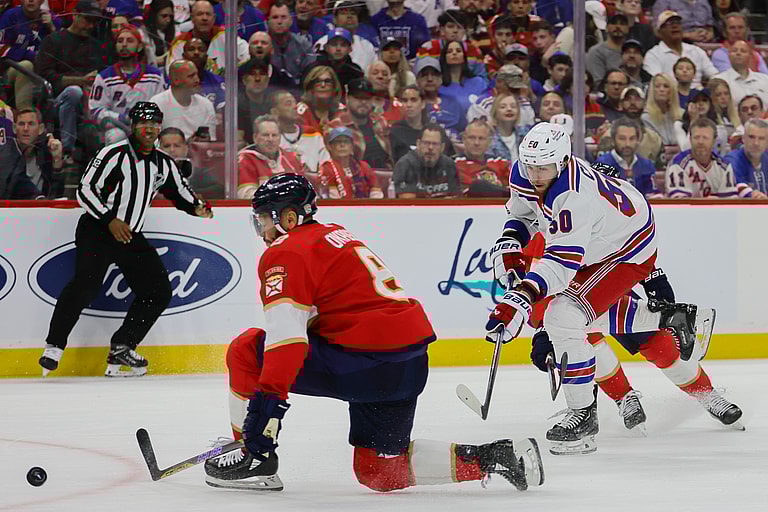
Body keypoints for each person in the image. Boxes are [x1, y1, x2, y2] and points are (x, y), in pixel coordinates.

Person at [202, 172, 544, 492]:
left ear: (288, 219)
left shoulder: (286, 251)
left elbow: (287, 341)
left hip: (362, 363)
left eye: (263, 220)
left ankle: (252, 458)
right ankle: (498, 457)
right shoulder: (335, 235)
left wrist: (265, 410)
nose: (262, 231)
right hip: (407, 365)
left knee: (246, 349)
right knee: (379, 472)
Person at [484, 122, 703, 455]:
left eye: (543, 167)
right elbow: (524, 214)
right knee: (569, 320)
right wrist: (511, 240)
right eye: (530, 165)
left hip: (627, 249)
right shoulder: (525, 173)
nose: (535, 175)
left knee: (564, 316)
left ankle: (583, 416)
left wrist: (520, 301)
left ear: (560, 162)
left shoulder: (573, 197)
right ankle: (670, 320)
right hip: (606, 235)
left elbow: (559, 265)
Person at [38, 102, 214, 378]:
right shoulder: (113, 154)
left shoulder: (162, 163)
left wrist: (197, 207)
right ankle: (54, 345)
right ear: (133, 126)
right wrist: (110, 219)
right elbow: (85, 190)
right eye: (144, 123)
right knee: (85, 286)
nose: (150, 129)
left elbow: (180, 192)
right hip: (98, 229)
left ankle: (123, 345)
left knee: (158, 292)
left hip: (129, 234)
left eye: (154, 124)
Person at [34, 0, 105, 157]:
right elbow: (44, 74)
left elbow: (102, 73)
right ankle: (67, 150)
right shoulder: (54, 41)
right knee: (73, 92)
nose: (91, 26)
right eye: (88, 20)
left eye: (94, 22)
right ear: (75, 15)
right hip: (56, 100)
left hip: (89, 100)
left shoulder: (96, 46)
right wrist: (80, 81)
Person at [90, 25, 167, 145]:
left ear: (140, 46)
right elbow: (96, 110)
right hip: (117, 127)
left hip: (148, 126)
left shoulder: (155, 76)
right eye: (120, 41)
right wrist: (121, 118)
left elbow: (162, 105)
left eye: (130, 41)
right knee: (116, 136)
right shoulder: (104, 77)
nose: (124, 45)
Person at [0, 0, 62, 110]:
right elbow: (1, 48)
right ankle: (25, 114)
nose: (31, 0)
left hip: (42, 70)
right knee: (26, 66)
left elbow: (61, 52)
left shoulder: (53, 19)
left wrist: (52, 28)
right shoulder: (10, 16)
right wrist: (32, 55)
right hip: (8, 70)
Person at [166, 0, 249, 75]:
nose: (204, 18)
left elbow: (246, 54)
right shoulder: (179, 42)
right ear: (192, 18)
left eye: (208, 14)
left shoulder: (225, 36)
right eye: (200, 14)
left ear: (214, 18)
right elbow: (171, 72)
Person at [643, 11, 719, 88]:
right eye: (669, 24)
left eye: (678, 23)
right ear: (659, 32)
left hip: (698, 96)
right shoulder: (653, 55)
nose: (675, 26)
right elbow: (656, 84)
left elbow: (714, 75)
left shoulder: (696, 51)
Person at [0, 108, 64, 199]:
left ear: (40, 129)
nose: (26, 129)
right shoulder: (5, 154)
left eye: (31, 124)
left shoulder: (45, 153)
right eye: (21, 124)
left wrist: (57, 160)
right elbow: (17, 182)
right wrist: (40, 199)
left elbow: (57, 194)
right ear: (14, 128)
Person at [667, 118, 738, 198]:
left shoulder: (724, 166)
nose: (700, 142)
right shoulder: (678, 164)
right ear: (690, 139)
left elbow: (730, 201)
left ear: (714, 141)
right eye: (696, 137)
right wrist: (705, 204)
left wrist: (716, 203)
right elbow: (679, 203)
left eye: (705, 138)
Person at [237, 115, 304, 198]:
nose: (270, 139)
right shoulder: (246, 159)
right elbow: (246, 196)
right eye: (265, 135)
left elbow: (304, 190)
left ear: (280, 138)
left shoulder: (292, 159)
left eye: (274, 135)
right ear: (255, 138)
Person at [150, 60, 217, 141]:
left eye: (197, 75)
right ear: (176, 81)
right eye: (191, 76)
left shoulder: (207, 105)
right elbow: (153, 144)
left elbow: (211, 143)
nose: (197, 80)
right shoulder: (156, 104)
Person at [596, 118, 662, 198]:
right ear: (613, 140)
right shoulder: (601, 165)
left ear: (638, 140)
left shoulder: (647, 165)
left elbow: (654, 196)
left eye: (632, 138)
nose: (627, 144)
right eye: (622, 138)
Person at [392, 123, 461, 198]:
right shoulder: (405, 164)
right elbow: (405, 199)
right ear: (418, 144)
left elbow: (456, 196)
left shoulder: (449, 165)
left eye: (435, 144)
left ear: (442, 147)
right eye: (426, 143)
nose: (430, 147)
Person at [270, 89, 329, 177]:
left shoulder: (313, 135)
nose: (295, 107)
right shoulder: (270, 139)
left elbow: (327, 167)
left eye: (295, 103)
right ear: (275, 112)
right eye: (288, 103)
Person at [319, 126, 383, 198]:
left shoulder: (363, 167)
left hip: (365, 207)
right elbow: (331, 199)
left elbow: (377, 195)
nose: (342, 145)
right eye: (338, 141)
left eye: (346, 141)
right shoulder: (326, 169)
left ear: (352, 146)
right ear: (330, 147)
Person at [313, 1, 377, 73]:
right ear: (335, 19)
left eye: (353, 13)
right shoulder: (323, 42)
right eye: (343, 13)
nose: (349, 16)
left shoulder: (367, 46)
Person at [456, 119, 509, 197]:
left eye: (481, 138)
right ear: (464, 139)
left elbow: (512, 188)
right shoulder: (456, 165)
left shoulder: (500, 162)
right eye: (472, 138)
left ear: (489, 141)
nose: (476, 143)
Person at [713, 40, 768, 108]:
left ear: (750, 56)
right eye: (734, 51)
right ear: (729, 55)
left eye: (743, 51)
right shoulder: (719, 80)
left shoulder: (765, 79)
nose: (738, 53)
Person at [724, 118, 768, 198]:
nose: (756, 143)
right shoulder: (732, 159)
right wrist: (754, 196)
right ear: (743, 138)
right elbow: (737, 186)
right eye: (751, 137)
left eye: (761, 138)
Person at [585, 12, 629, 85]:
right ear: (606, 27)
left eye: (622, 24)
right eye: (613, 23)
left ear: (628, 29)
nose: (618, 26)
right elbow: (597, 83)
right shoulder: (596, 52)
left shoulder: (632, 52)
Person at [642, 73, 684, 145]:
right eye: (657, 86)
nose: (661, 89)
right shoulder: (645, 117)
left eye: (666, 86)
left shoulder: (682, 115)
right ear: (652, 90)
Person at [487, 92, 530, 162]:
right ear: (495, 112)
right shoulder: (489, 136)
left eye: (513, 106)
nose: (509, 109)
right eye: (503, 107)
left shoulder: (526, 133)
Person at [144, 0, 176, 67]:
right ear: (154, 15)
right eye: (164, 16)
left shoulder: (175, 30)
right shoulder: (144, 33)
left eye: (170, 16)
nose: (168, 20)